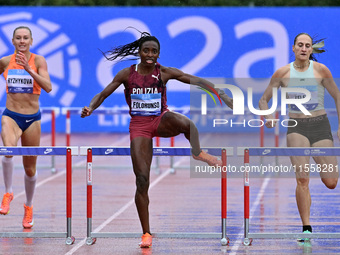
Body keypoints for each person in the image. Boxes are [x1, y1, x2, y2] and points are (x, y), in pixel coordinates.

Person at [81, 31, 232, 248]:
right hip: (140, 127)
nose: (150, 55)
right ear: (140, 53)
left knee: (188, 124)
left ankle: (198, 152)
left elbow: (196, 81)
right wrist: (91, 107)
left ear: (158, 53)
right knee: (142, 180)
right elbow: (103, 94)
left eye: (154, 51)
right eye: (146, 51)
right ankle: (146, 233)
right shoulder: (126, 74)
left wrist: (219, 92)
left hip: (161, 119)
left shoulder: (164, 72)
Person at [259, 32, 339, 240]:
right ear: (293, 48)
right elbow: (263, 100)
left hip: (320, 125)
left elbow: (338, 97)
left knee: (331, 181)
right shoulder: (282, 73)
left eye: (308, 46)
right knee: (302, 179)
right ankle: (306, 228)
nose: (304, 49)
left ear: (311, 50)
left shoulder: (321, 71)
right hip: (297, 127)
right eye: (300, 45)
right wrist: (268, 116)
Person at [0, 26, 52, 229]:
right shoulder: (5, 61)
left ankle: (28, 206)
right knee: (8, 150)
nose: (22, 41)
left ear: (31, 41)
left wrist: (29, 70)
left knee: (30, 169)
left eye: (25, 38)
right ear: (13, 41)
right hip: (11, 116)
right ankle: (8, 192)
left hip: (32, 119)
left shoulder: (38, 61)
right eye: (18, 38)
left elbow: (48, 87)